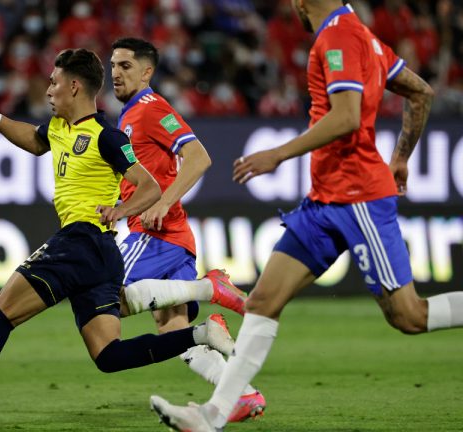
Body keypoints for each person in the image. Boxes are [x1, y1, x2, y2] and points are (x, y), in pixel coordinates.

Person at [149, 1, 463, 431]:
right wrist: (401, 157)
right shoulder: (363, 36)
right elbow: (421, 91)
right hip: (323, 203)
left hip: (358, 200)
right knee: (262, 301)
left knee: (409, 316)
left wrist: (277, 154)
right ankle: (213, 415)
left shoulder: (338, 36)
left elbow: (347, 117)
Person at [0, 48, 235, 431]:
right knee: (108, 355)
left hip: (81, 240)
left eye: (54, 82)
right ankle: (201, 334)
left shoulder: (107, 137)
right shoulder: (59, 128)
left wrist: (121, 211)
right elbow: (32, 139)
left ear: (74, 86)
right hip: (101, 257)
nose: (48, 89)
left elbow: (146, 185)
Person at [109, 37, 266, 422]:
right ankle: (242, 395)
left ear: (147, 72)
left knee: (107, 302)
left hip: (156, 234)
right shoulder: (128, 114)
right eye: (112, 65)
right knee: (174, 330)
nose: (115, 73)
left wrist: (161, 201)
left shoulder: (150, 108)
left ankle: (211, 288)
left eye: (125, 66)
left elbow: (198, 157)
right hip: (172, 235)